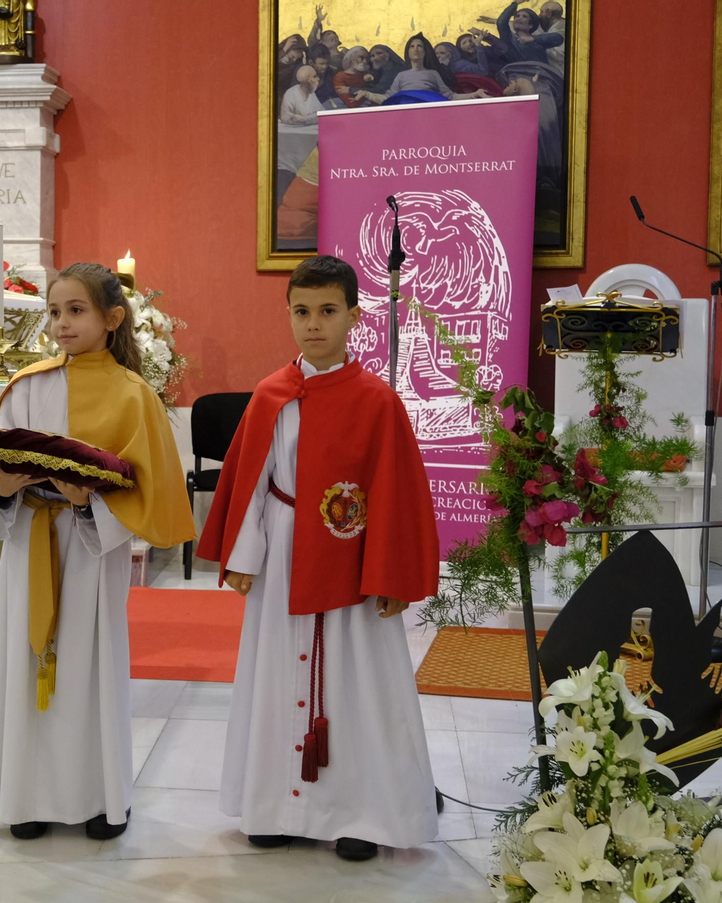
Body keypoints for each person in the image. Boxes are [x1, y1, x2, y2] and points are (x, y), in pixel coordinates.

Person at [197, 255, 439, 863]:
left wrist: (391, 575)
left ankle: (361, 812)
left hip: (351, 560)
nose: (314, 324)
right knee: (275, 675)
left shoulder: (377, 400)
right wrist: (245, 553)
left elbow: (396, 491)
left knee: (358, 683)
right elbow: (252, 479)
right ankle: (275, 808)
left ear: (354, 315)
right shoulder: (271, 393)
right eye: (301, 312)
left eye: (328, 311)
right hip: (281, 553)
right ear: (288, 315)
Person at [0, 262, 193, 841]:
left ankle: (97, 798)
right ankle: (28, 798)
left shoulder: (131, 394)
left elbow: (148, 488)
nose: (62, 322)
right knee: (25, 659)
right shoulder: (28, 385)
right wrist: (5, 488)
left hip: (90, 552)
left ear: (112, 319)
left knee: (89, 668)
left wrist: (88, 502)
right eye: (56, 310)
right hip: (30, 543)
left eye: (76, 310)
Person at [388, 34, 490, 100]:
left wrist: (474, 94)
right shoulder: (401, 76)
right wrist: (371, 95)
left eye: (419, 46)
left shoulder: (433, 73)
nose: (416, 49)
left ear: (425, 52)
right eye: (412, 46)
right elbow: (389, 96)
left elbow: (450, 95)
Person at [538, 2, 568, 68]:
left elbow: (560, 54)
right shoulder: (556, 27)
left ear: (549, 13)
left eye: (541, 12)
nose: (539, 15)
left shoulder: (562, 27)